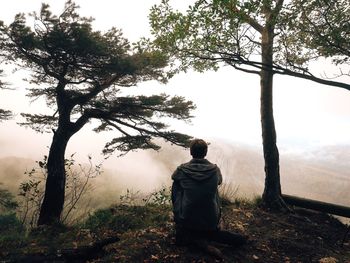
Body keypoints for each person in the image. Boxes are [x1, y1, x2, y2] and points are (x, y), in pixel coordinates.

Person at [171, 139, 247, 257]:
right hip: (210, 220)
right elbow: (219, 181)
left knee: (177, 184)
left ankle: (180, 217)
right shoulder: (214, 170)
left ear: (191, 152)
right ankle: (218, 231)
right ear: (205, 152)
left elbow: (174, 178)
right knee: (212, 188)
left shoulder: (182, 170)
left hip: (186, 219)